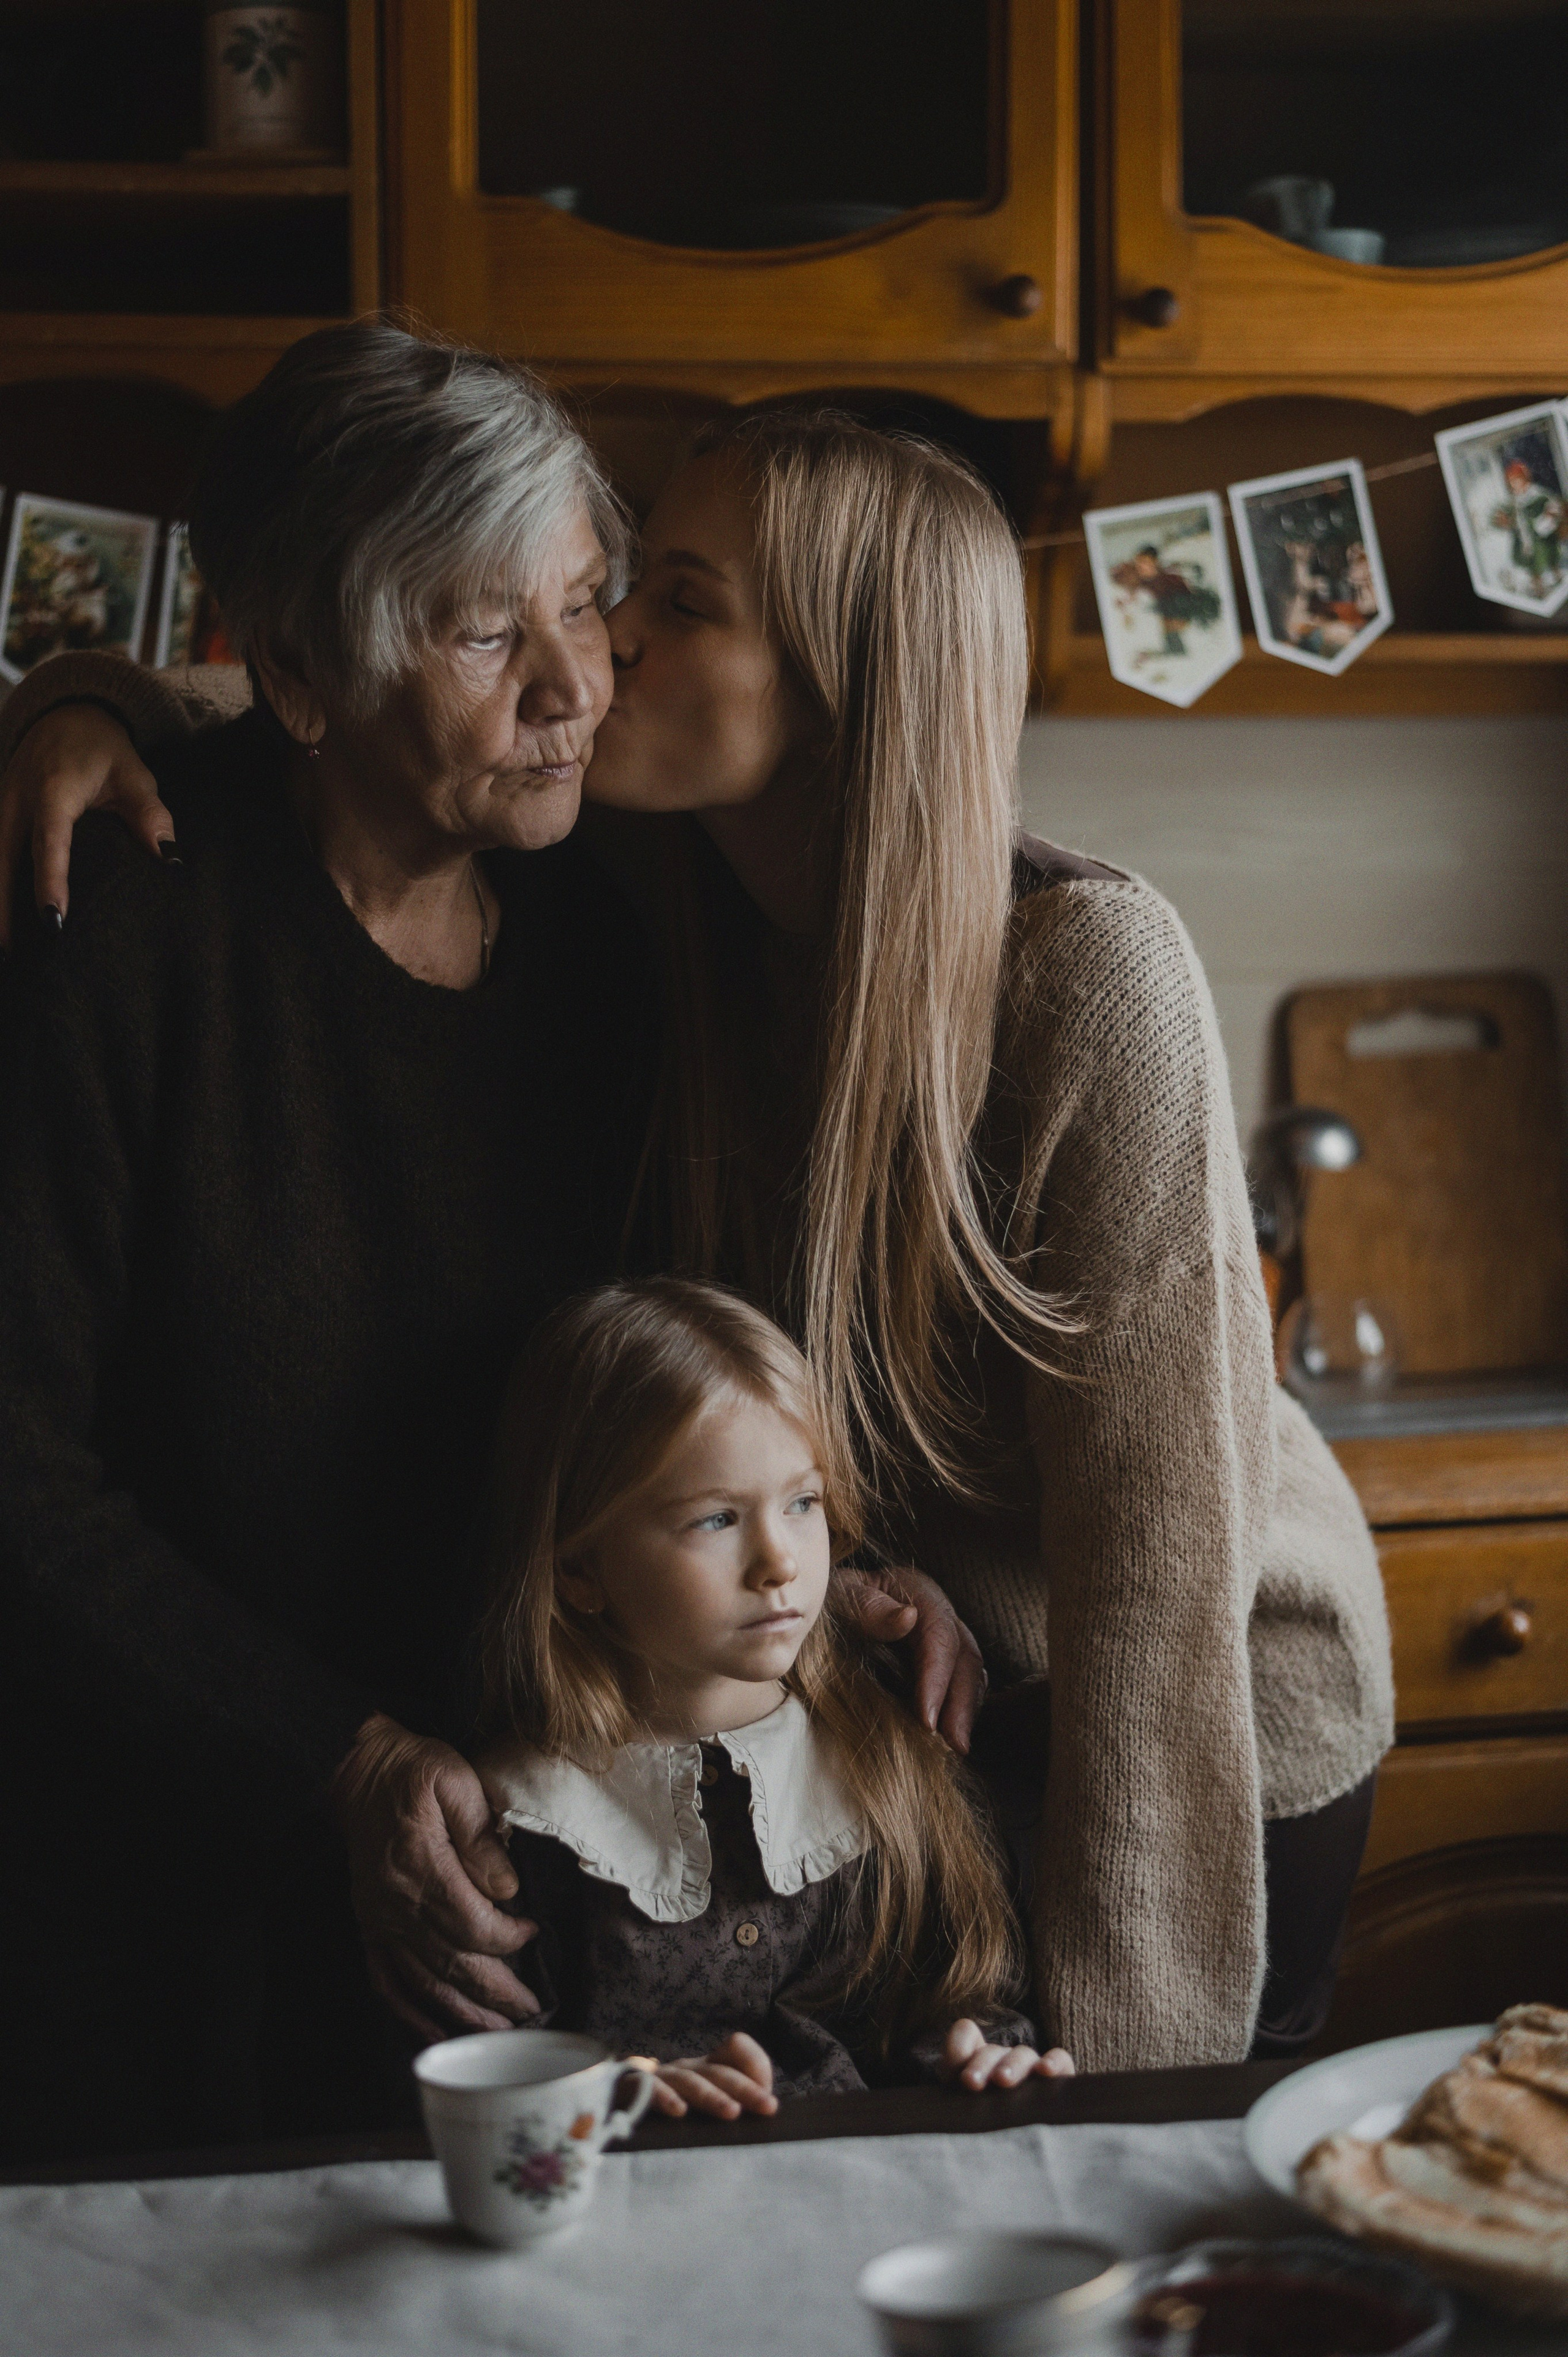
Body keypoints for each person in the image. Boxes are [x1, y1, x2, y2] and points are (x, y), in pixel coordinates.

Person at [0, 400, 1394, 2076]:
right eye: (598, 597)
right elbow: (370, 695)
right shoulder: (664, 894)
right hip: (885, 1677)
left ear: (839, 679)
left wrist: (1131, 2102)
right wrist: (80, 699)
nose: (597, 659)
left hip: (1198, 1724)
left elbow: (1157, 1597)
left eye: (664, 600)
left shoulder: (1089, 977)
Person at [0, 333, 971, 2160]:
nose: (574, 690)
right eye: (479, 636)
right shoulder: (121, 921)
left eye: (592, 607)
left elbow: (636, 1409)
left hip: (526, 1914)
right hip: (163, 1899)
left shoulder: (603, 940)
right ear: (298, 669)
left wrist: (797, 1571)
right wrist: (338, 1761)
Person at [475, 1275, 1074, 2114]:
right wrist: (620, 2093)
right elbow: (477, 2081)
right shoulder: (528, 1823)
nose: (781, 1562)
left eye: (802, 1503)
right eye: (717, 1519)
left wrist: (982, 2054)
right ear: (580, 1570)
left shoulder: (879, 1755)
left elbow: (949, 1996)